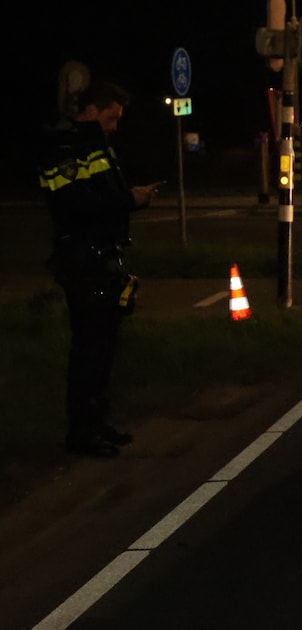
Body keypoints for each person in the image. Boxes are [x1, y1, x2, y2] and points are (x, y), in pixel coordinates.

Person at [35, 79, 161, 457]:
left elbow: (101, 197)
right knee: (89, 349)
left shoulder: (95, 145)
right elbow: (73, 205)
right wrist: (130, 199)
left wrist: (131, 198)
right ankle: (81, 433)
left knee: (104, 347)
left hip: (102, 258)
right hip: (82, 261)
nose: (114, 126)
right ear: (90, 110)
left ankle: (97, 424)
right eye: (110, 117)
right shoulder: (66, 146)